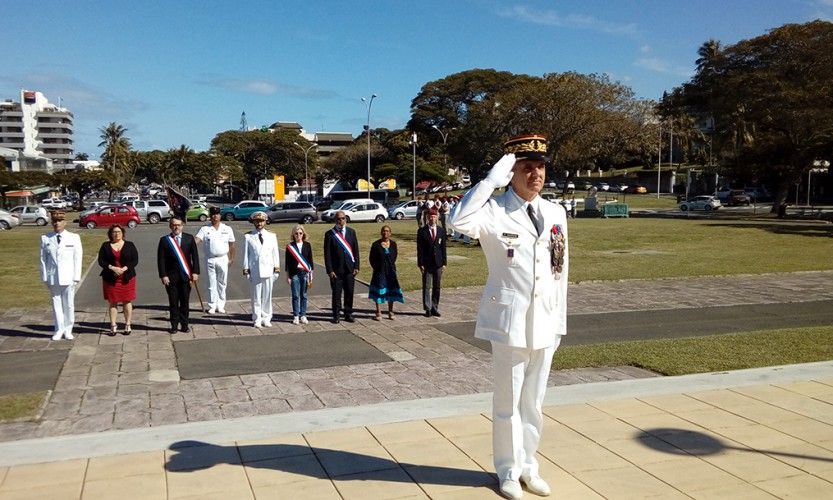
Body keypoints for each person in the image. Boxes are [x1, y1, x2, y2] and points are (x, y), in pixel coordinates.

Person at [448, 134, 568, 500]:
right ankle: (508, 471)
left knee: (534, 402)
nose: (536, 174)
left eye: (540, 167)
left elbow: (560, 268)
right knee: (507, 404)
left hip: (545, 321)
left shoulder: (555, 212)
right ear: (511, 172)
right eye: (527, 167)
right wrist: (489, 182)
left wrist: (560, 320)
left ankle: (530, 466)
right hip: (510, 321)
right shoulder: (493, 210)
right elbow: (458, 220)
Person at [39, 210, 82, 341]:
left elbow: (77, 258)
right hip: (53, 277)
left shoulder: (74, 237)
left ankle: (68, 329)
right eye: (55, 221)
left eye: (59, 221)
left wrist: (76, 277)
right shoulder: (46, 238)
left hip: (69, 276)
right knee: (56, 304)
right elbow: (42, 260)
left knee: (69, 305)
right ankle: (59, 329)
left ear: (65, 222)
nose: (57, 223)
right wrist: (44, 277)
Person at [157, 217, 200, 334]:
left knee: (185, 302)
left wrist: (195, 272)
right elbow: (161, 259)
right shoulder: (165, 240)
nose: (177, 227)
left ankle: (185, 325)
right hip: (170, 277)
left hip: (186, 275)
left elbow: (195, 257)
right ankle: (174, 325)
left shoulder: (189, 238)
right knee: (173, 302)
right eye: (174, 225)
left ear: (182, 226)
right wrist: (163, 275)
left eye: (179, 225)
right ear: (170, 226)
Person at [97, 224, 138, 336]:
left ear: (122, 233)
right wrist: (112, 267)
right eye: (114, 232)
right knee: (112, 302)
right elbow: (101, 261)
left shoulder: (130, 245)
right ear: (110, 234)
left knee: (127, 301)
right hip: (110, 278)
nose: (116, 234)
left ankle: (128, 324)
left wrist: (124, 269)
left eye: (119, 231)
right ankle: (113, 325)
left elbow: (135, 260)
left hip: (127, 278)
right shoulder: (105, 246)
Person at [195, 206, 236, 314]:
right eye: (213, 214)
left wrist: (231, 258)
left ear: (220, 215)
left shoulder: (227, 228)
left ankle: (221, 305)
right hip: (210, 259)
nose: (215, 216)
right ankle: (212, 305)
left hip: (223, 258)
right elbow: (197, 240)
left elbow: (232, 245)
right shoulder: (205, 229)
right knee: (210, 284)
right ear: (210, 216)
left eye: (217, 214)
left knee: (222, 283)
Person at [243, 211, 280, 328]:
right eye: (257, 221)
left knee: (267, 296)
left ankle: (267, 317)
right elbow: (246, 254)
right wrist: (246, 269)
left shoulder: (272, 236)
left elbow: (275, 254)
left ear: (265, 222)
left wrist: (276, 269)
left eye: (261, 221)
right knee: (256, 296)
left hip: (268, 269)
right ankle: (257, 317)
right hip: (255, 270)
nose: (259, 223)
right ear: (253, 222)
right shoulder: (248, 236)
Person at [323, 210, 360, 323]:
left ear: (346, 219)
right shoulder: (330, 234)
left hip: (349, 269)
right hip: (336, 270)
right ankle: (336, 315)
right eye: (339, 219)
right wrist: (330, 270)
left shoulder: (351, 232)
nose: (341, 220)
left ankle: (348, 314)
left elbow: (355, 250)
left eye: (343, 218)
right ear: (335, 220)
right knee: (336, 294)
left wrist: (357, 266)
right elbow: (327, 254)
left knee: (349, 292)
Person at [368, 225, 404, 320]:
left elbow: (395, 256)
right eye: (384, 231)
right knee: (379, 290)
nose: (385, 233)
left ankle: (390, 311)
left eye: (387, 231)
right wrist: (377, 268)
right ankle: (378, 312)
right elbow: (372, 259)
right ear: (381, 232)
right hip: (379, 271)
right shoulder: (376, 244)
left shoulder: (393, 244)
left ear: (390, 233)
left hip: (391, 271)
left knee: (391, 290)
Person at [416, 208, 447, 317]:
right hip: (427, 263)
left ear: (437, 217)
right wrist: (420, 263)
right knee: (426, 286)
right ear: (428, 218)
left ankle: (435, 307)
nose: (432, 218)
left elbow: (443, 248)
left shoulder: (441, 231)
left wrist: (444, 263)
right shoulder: (422, 231)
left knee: (437, 286)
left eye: (434, 216)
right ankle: (427, 308)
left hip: (438, 263)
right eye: (430, 216)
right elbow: (419, 249)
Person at [285, 224, 313, 325]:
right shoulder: (290, 246)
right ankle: (296, 315)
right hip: (294, 274)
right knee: (295, 296)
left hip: (305, 273)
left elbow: (310, 261)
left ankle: (303, 315)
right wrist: (288, 276)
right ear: (293, 234)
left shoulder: (307, 245)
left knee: (304, 295)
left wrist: (311, 276)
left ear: (303, 234)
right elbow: (287, 263)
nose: (298, 235)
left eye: (300, 233)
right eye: (296, 233)